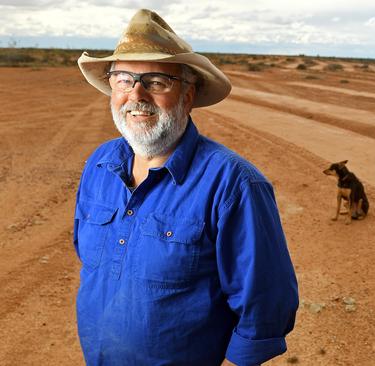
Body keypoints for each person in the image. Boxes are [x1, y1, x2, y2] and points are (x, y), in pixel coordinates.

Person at [73, 9, 299, 366]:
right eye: (123, 80)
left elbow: (265, 306)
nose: (136, 95)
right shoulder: (99, 165)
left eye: (157, 82)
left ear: (188, 95)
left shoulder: (233, 184)